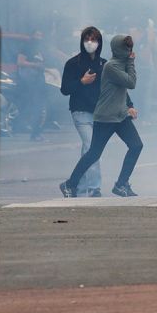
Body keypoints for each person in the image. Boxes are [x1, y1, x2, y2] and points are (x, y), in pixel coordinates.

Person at [59, 34, 143, 198]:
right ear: (118, 49)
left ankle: (121, 184)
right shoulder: (111, 66)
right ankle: (69, 185)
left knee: (136, 145)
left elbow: (124, 89)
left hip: (120, 115)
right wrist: (131, 62)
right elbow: (131, 83)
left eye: (130, 47)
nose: (129, 51)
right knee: (94, 153)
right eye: (126, 47)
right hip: (106, 116)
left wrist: (130, 106)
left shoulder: (120, 64)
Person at [60, 26, 106, 197]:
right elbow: (64, 89)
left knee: (88, 151)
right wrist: (81, 82)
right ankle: (94, 189)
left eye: (93, 39)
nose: (90, 43)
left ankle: (76, 188)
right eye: (87, 39)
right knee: (92, 148)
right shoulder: (73, 63)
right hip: (80, 112)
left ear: (99, 42)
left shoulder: (103, 64)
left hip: (99, 114)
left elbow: (112, 88)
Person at [16, 29, 47, 141]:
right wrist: (35, 65)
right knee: (35, 106)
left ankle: (34, 132)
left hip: (38, 80)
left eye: (41, 34)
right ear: (33, 35)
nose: (40, 37)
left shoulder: (39, 49)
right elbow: (20, 62)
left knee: (38, 106)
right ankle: (34, 134)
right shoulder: (27, 46)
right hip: (29, 81)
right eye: (38, 34)